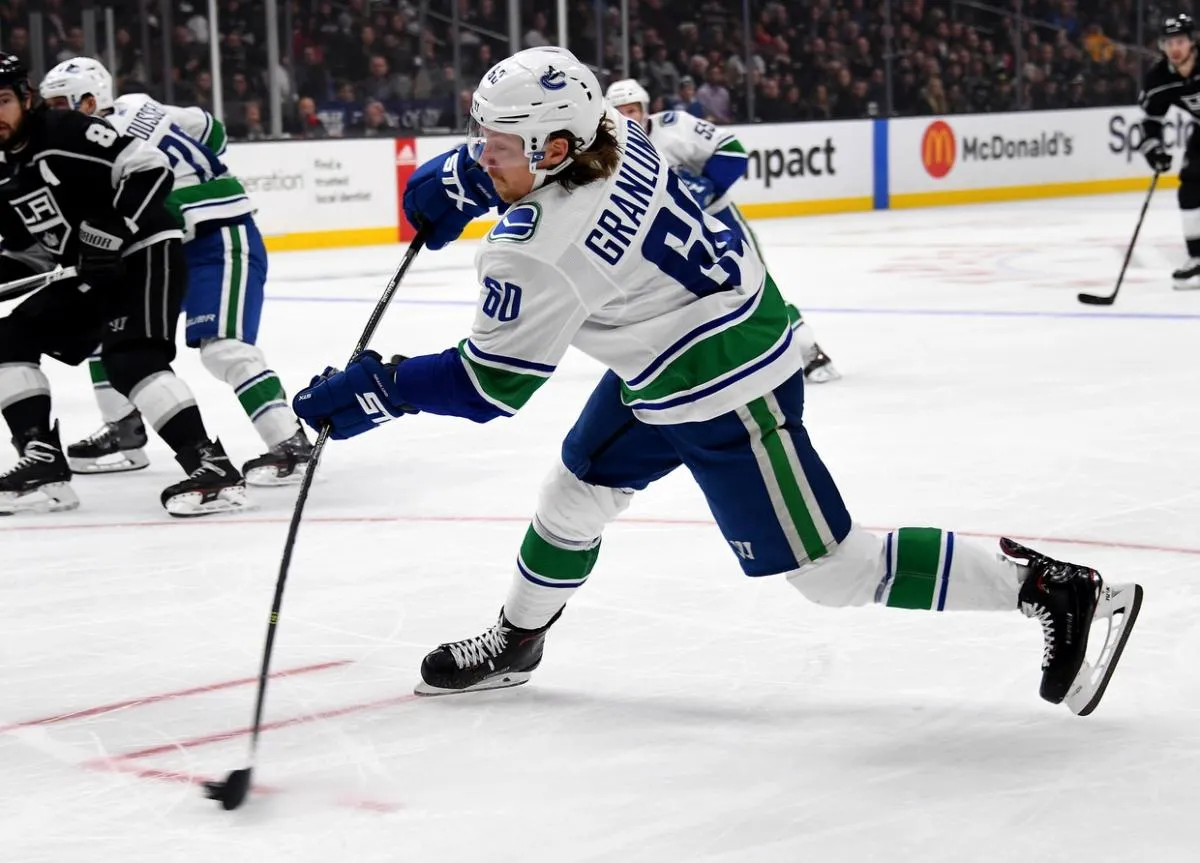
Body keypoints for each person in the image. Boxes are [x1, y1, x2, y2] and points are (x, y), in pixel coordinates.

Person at [292, 47, 1142, 715]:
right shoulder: (619, 134)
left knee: (833, 571)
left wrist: (379, 387)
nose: (485, 153)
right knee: (574, 491)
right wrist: (471, 176)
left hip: (729, 386)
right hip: (672, 353)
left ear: (555, 147)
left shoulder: (537, 250)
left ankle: (1052, 587)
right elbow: (556, 172)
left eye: (499, 144)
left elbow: (490, 387)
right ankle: (520, 639)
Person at [38, 58, 313, 484]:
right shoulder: (137, 107)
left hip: (216, 237)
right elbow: (214, 133)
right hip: (160, 248)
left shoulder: (101, 139)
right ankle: (124, 430)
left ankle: (290, 444)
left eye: (59, 104)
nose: (51, 114)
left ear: (89, 101)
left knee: (224, 350)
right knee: (109, 331)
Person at [0, 54, 246, 516]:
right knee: (8, 339)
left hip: (146, 252)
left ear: (26, 98)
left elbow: (149, 166)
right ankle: (42, 461)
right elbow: (25, 253)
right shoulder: (2, 171)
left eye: (3, 100)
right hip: (90, 272)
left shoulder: (63, 130)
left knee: (131, 360)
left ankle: (211, 467)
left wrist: (110, 228)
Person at [604, 78, 839, 382]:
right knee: (689, 305)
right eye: (620, 111)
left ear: (646, 109)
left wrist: (708, 188)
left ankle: (810, 352)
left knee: (757, 289)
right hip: (673, 238)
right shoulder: (612, 151)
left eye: (633, 109)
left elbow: (733, 151)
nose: (628, 117)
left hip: (720, 219)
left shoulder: (677, 126)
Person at [1138, 13, 1200, 289]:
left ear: (1192, 42)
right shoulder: (1159, 77)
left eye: (1180, 41)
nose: (1175, 48)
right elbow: (1151, 120)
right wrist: (1154, 149)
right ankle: (1197, 258)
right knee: (1190, 187)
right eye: (1169, 42)